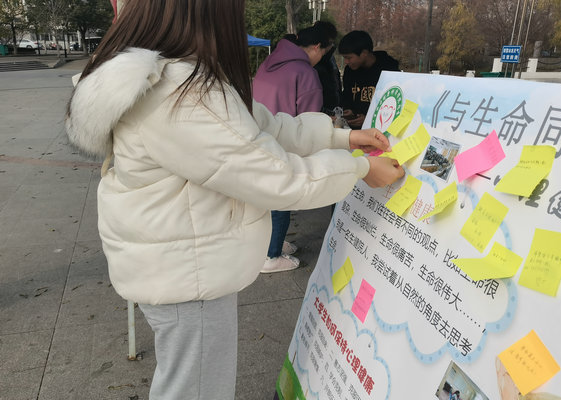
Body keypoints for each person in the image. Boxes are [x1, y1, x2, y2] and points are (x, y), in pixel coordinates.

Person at [64, 1, 405, 399]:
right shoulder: (179, 92)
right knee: (196, 391)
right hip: (187, 276)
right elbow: (277, 177)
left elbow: (264, 128)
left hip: (176, 262)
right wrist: (360, 168)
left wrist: (342, 137)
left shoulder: (174, 78)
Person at [253, 24, 334, 273]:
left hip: (257, 136)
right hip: (284, 143)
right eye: (325, 52)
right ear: (317, 47)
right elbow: (309, 121)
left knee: (264, 200)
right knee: (281, 200)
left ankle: (267, 245)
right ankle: (271, 256)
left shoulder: (269, 63)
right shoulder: (305, 72)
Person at [338, 30, 400, 129]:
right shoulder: (350, 71)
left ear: (364, 53)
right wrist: (349, 110)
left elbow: (394, 104)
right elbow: (347, 95)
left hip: (380, 129)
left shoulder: (389, 71)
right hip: (354, 130)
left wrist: (369, 119)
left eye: (349, 58)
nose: (346, 61)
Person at [313, 21, 343, 115]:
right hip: (319, 113)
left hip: (333, 110)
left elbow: (337, 83)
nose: (331, 46)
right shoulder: (312, 60)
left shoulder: (330, 58)